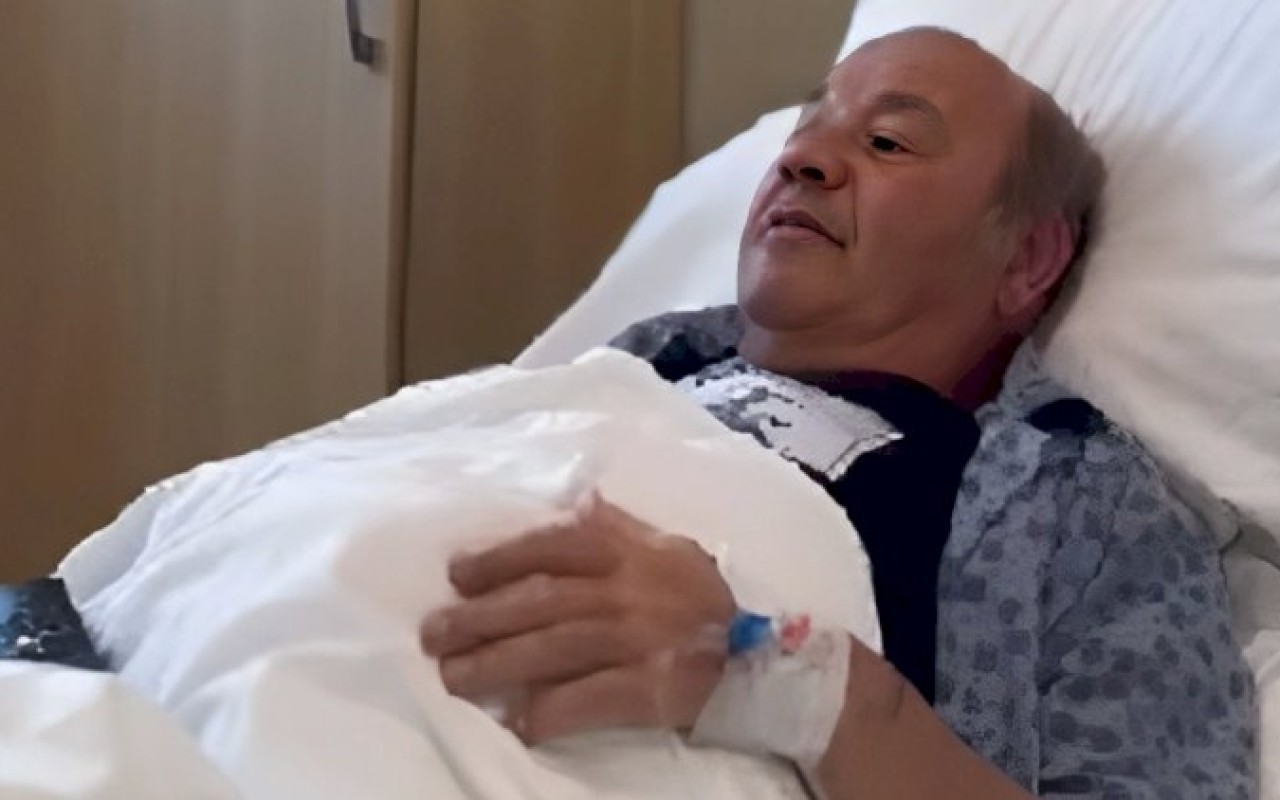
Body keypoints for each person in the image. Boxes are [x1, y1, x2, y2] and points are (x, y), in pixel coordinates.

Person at [421, 27, 1257, 799]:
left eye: (888, 141)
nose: (804, 158)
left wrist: (769, 673)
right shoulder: (646, 360)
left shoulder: (1090, 514)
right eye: (805, 129)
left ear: (1028, 258)